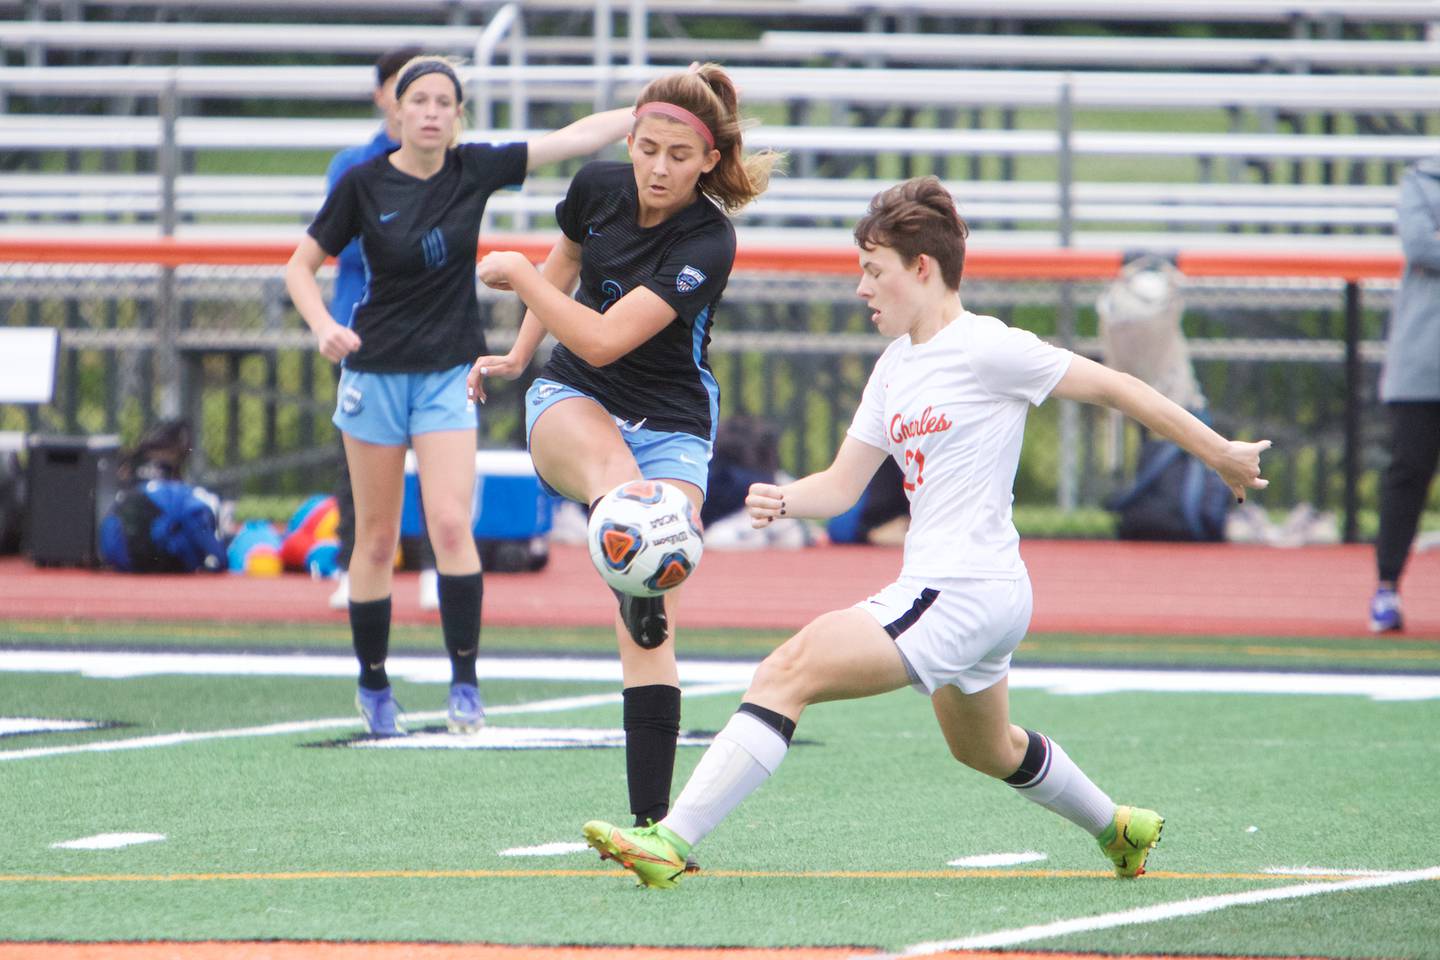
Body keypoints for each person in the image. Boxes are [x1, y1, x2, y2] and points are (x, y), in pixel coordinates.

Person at [580, 177, 1271, 888]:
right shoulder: (894, 368)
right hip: (966, 591)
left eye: (873, 271)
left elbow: (1118, 387)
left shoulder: (987, 347)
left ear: (922, 268)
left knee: (786, 671)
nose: (861, 288)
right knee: (985, 747)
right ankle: (1119, 827)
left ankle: (671, 840)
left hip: (964, 588)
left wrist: (1219, 452)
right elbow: (842, 487)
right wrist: (783, 500)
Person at [466, 63, 778, 832]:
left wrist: (515, 276)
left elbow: (605, 336)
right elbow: (566, 269)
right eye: (647, 148)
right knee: (622, 495)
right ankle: (633, 568)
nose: (658, 168)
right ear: (630, 139)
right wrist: (516, 354)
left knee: (648, 614)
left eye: (678, 155)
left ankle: (650, 830)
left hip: (673, 422)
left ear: (709, 160)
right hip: (574, 398)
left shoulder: (709, 237)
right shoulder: (599, 187)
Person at [285, 54, 633, 737]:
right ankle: (375, 684)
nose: (433, 112)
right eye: (420, 101)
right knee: (378, 536)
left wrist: (653, 107)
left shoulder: (474, 167)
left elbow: (571, 140)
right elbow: (300, 267)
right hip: (374, 375)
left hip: (448, 373)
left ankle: (466, 685)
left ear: (458, 115)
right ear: (397, 111)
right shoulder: (361, 181)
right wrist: (324, 326)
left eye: (446, 101)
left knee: (449, 525)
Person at [318, 45, 441, 614]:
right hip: (364, 327)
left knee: (442, 455)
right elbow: (341, 241)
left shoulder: (453, 163)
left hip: (435, 331)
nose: (413, 104)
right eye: (403, 89)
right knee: (358, 458)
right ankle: (353, 564)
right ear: (383, 96)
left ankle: (440, 567)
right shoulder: (353, 166)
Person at [1369, 157, 1440, 633]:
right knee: (1408, 474)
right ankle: (1387, 587)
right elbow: (1420, 245)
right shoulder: (1423, 180)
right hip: (1424, 363)